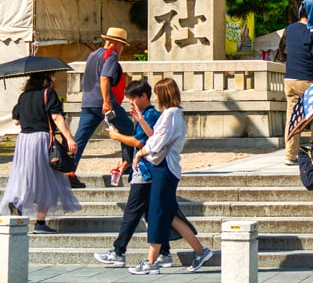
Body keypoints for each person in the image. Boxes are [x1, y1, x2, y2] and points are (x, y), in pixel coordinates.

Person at [92, 79, 194, 269]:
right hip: (148, 169)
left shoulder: (158, 115)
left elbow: (145, 142)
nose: (130, 102)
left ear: (143, 96)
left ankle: (120, 251)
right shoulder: (153, 114)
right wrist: (127, 161)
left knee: (135, 212)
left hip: (148, 170)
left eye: (132, 98)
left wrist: (118, 137)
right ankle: (165, 252)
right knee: (154, 214)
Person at [128, 78, 214, 275]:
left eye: (158, 93)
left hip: (164, 168)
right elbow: (156, 138)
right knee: (170, 215)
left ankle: (151, 261)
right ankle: (200, 251)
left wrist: (140, 153)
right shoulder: (173, 114)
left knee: (158, 212)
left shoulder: (170, 115)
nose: (155, 96)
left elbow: (156, 143)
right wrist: (141, 119)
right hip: (166, 168)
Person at [1, 71, 80, 232]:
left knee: (25, 176)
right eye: (52, 76)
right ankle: (40, 223)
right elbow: (57, 117)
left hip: (24, 141)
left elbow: (16, 121)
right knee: (48, 180)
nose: (54, 79)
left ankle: (17, 202)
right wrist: (69, 138)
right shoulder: (48, 93)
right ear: (46, 78)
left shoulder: (24, 96)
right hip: (41, 139)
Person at [71, 27, 136, 189]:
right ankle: (127, 164)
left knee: (80, 138)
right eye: (122, 45)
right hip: (105, 103)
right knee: (128, 127)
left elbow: (85, 80)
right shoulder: (111, 55)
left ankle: (68, 171)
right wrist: (107, 101)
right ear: (114, 44)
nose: (122, 49)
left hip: (88, 102)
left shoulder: (92, 55)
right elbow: (105, 77)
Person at [283, 0, 313, 166]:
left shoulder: (290, 29)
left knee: (293, 118)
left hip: (289, 80)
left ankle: (290, 155)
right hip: (308, 81)